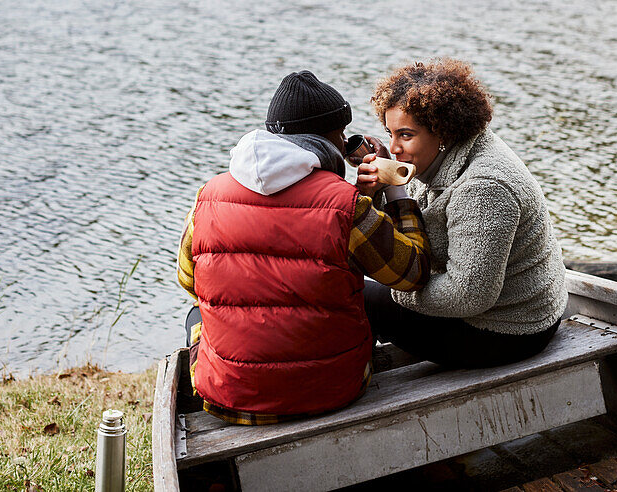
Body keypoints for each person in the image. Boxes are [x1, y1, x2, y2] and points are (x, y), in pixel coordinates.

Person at [177, 69, 431, 424]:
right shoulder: (347, 206)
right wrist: (394, 191)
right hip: (333, 391)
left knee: (197, 313)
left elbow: (190, 281)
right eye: (342, 134)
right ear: (331, 139)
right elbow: (413, 272)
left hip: (227, 398)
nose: (346, 142)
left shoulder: (208, 196)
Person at [358, 58, 567, 369]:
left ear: (442, 132)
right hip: (510, 311)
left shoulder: (485, 186)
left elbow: (469, 295)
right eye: (389, 133)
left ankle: (350, 376)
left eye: (405, 135)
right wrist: (381, 195)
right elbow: (415, 240)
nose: (394, 148)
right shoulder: (442, 161)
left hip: (509, 331)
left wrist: (395, 290)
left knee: (356, 293)